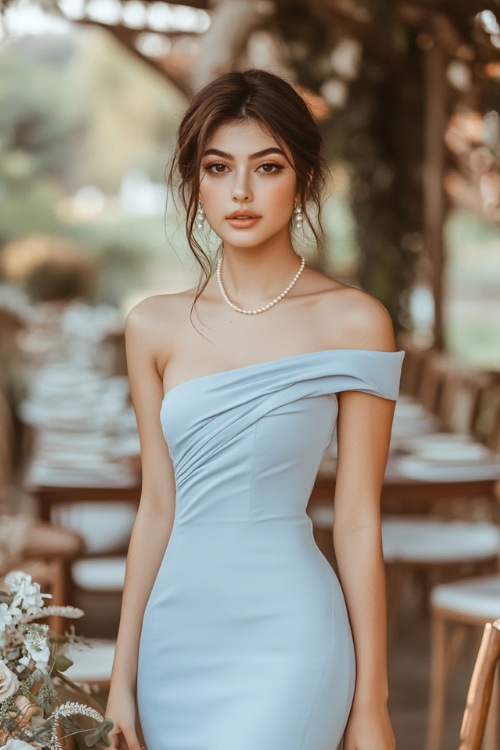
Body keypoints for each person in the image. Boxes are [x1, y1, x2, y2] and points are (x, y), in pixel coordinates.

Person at [106, 68, 404, 750]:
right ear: (195, 181)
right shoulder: (153, 326)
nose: (240, 192)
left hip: (292, 638)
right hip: (174, 639)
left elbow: (358, 520)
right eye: (218, 168)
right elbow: (157, 506)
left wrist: (372, 704)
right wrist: (122, 675)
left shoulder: (355, 322)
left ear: (302, 179)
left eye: (266, 167)